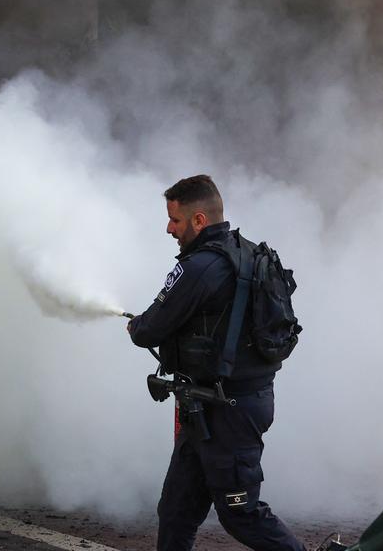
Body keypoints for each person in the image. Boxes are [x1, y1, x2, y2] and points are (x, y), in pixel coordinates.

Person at [127, 175, 303, 551]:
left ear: (199, 221)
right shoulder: (250, 253)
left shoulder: (200, 267)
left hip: (227, 413)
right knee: (176, 510)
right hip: (212, 407)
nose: (168, 229)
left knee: (241, 513)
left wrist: (136, 324)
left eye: (175, 220)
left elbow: (148, 331)